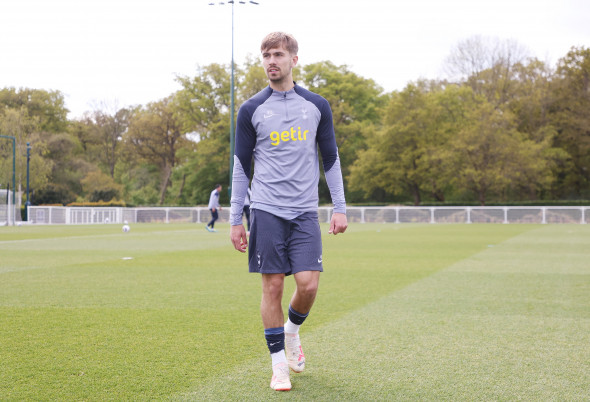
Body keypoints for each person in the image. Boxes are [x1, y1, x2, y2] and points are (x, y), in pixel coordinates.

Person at [229, 32, 348, 392]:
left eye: (278, 54)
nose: (271, 61)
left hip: (303, 212)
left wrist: (339, 207)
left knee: (309, 284)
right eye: (265, 55)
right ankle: (278, 365)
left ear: (293, 59)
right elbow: (240, 168)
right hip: (265, 210)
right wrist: (236, 218)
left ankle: (292, 333)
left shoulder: (316, 105)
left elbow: (330, 159)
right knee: (274, 286)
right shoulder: (251, 109)